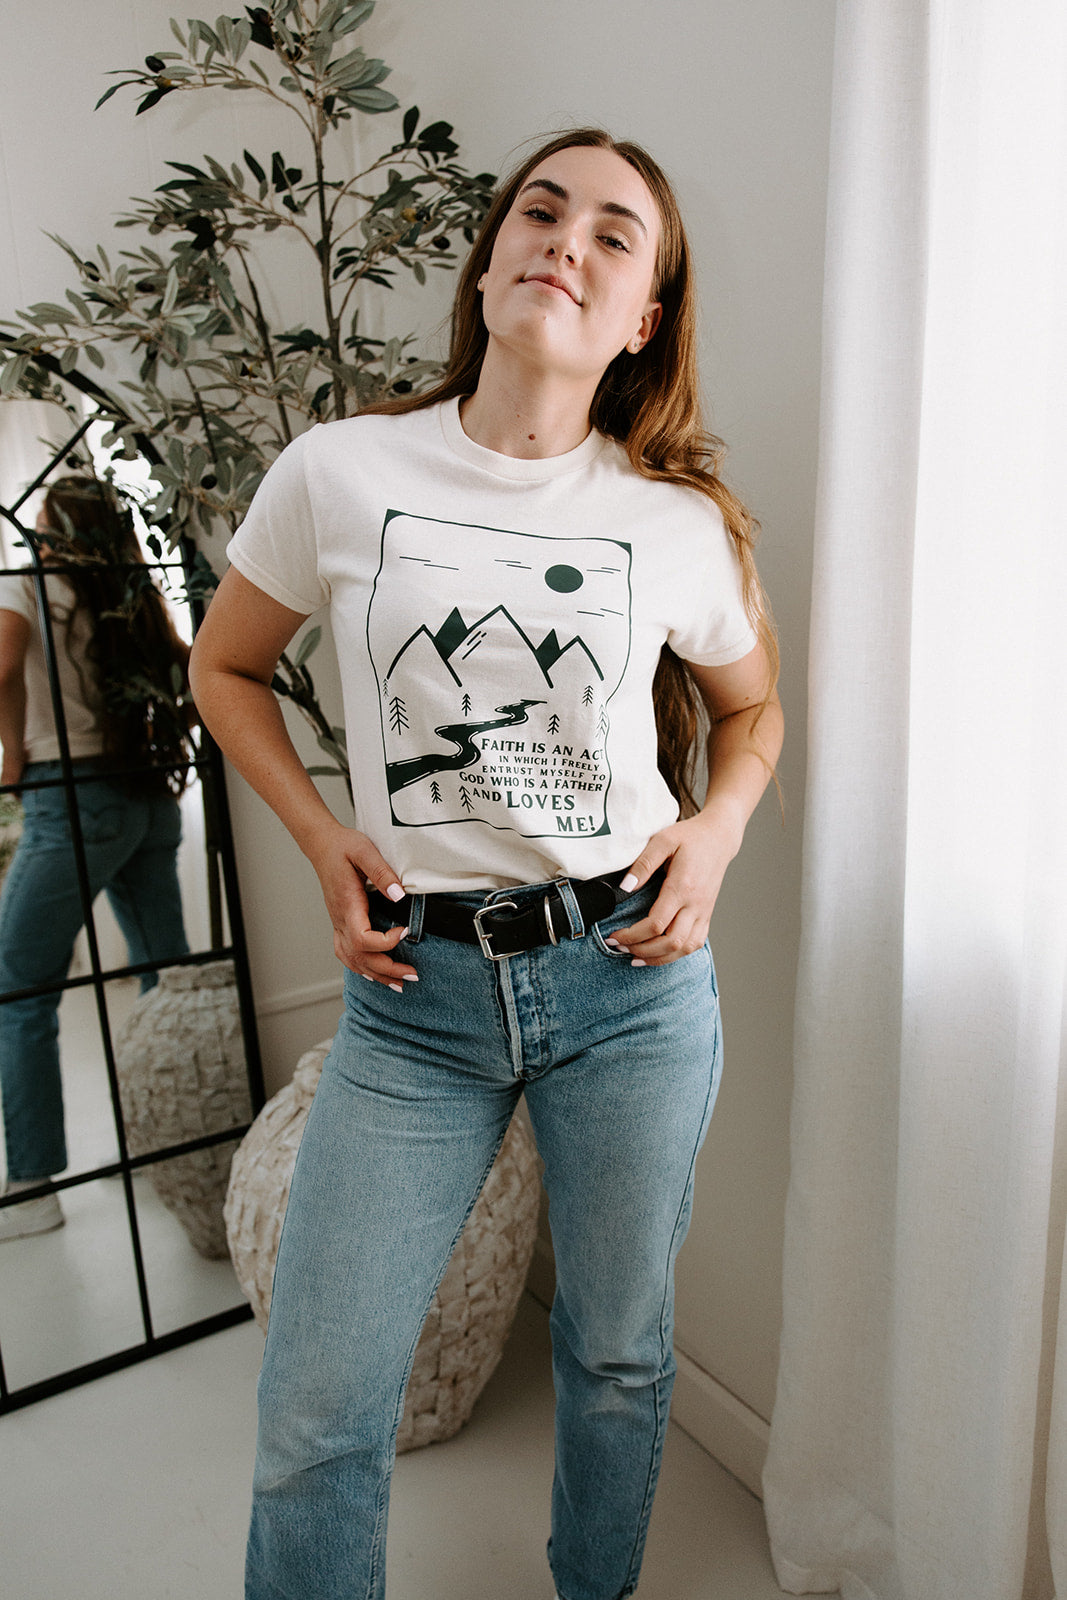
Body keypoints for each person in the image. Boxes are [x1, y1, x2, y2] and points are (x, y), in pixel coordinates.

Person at [190, 128, 784, 1600]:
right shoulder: (340, 471)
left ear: (641, 318)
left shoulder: (673, 523)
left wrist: (712, 829)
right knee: (318, 1411)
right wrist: (323, 833)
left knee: (615, 1354)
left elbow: (753, 709)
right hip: (415, 1002)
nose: (564, 241)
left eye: (611, 234)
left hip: (627, 984)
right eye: (539, 209)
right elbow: (225, 666)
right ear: (489, 257)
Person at [0, 475, 193, 1240]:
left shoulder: (28, 583)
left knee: (18, 989)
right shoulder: (129, 590)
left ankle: (32, 1185)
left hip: (73, 797)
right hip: (144, 792)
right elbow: (183, 671)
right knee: (168, 978)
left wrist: (11, 752)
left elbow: (2, 667)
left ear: (52, 528)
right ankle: (176, 1147)